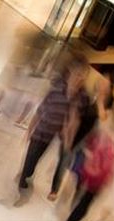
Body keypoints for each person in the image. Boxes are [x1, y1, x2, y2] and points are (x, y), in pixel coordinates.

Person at [13, 51, 90, 206]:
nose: (79, 78)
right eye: (77, 74)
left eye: (83, 75)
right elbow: (41, 110)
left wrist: (69, 138)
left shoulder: (83, 98)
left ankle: (40, 184)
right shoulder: (56, 89)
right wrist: (29, 130)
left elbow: (77, 121)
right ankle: (21, 188)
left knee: (55, 162)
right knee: (31, 160)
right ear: (70, 73)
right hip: (43, 130)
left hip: (63, 136)